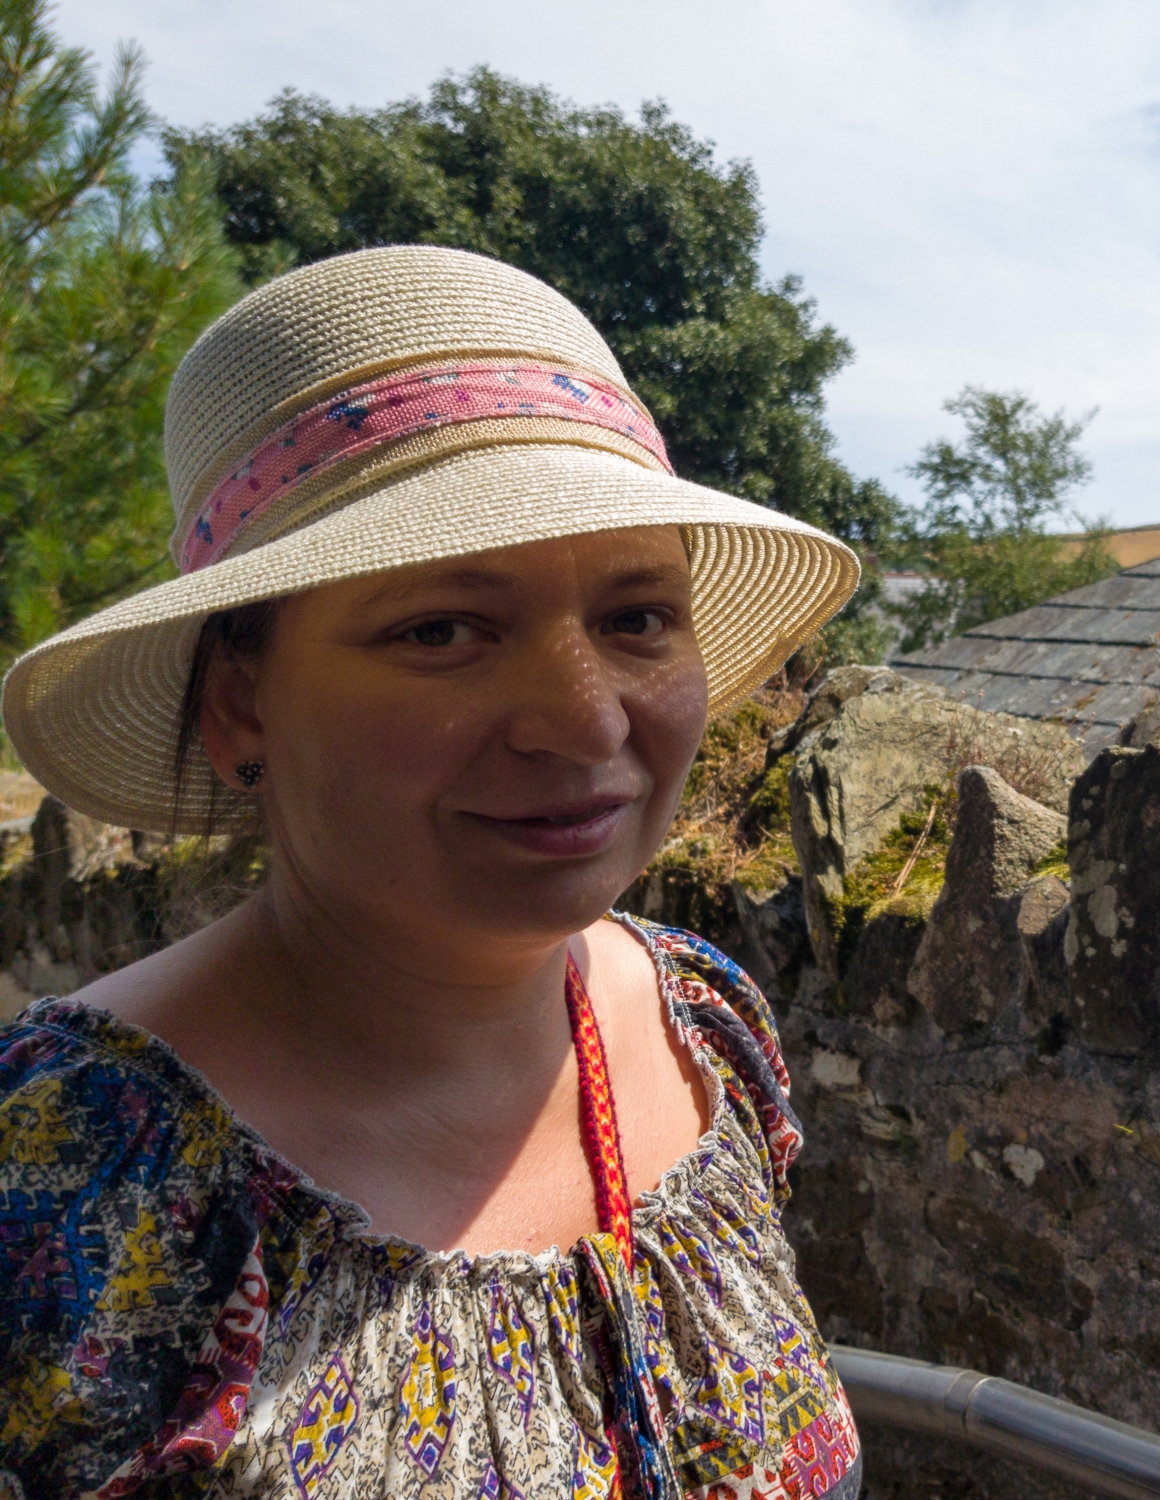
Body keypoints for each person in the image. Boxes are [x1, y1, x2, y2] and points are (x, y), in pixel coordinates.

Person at [0, 246, 863, 1499]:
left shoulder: (702, 1027)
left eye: (635, 619)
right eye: (442, 630)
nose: (585, 722)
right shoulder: (68, 1171)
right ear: (239, 705)